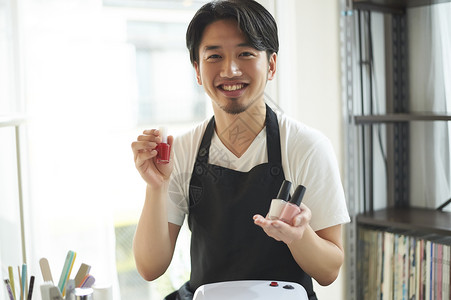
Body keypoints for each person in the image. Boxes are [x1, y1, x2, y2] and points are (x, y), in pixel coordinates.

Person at [131, 0, 350, 299]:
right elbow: (150, 267)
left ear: (271, 65)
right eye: (214, 56)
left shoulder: (306, 147)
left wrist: (300, 237)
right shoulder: (182, 149)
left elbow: (329, 271)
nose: (230, 69)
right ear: (197, 69)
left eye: (245, 53)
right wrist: (156, 186)